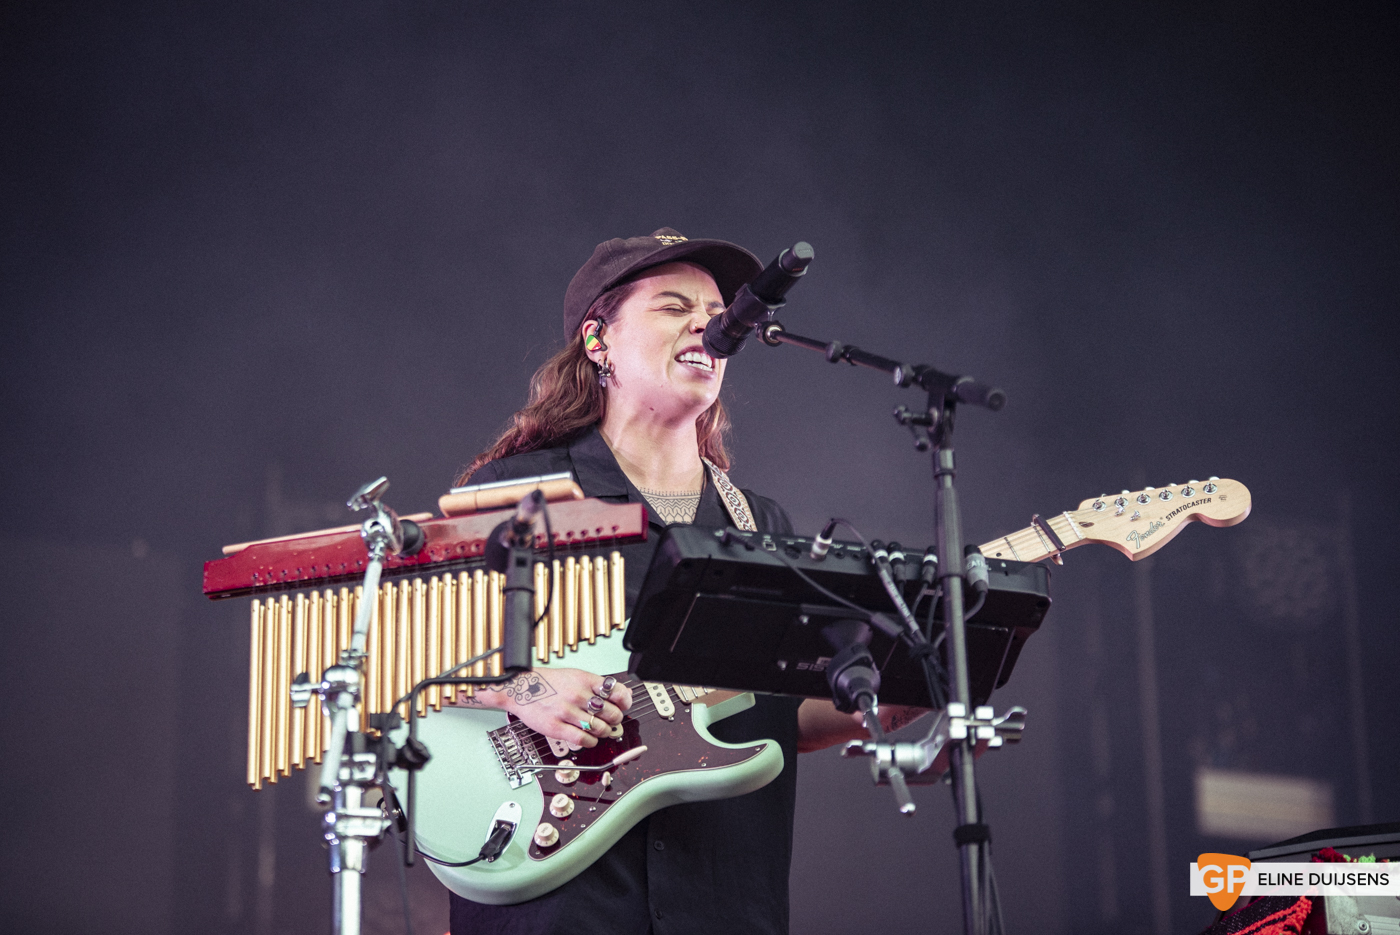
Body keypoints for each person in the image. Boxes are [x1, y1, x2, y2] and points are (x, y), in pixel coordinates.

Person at [448, 229, 923, 935]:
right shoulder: (511, 494)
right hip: (557, 897)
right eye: (673, 306)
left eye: (716, 308)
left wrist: (898, 694)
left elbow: (779, 714)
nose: (708, 322)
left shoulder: (762, 524)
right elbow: (403, 670)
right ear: (597, 342)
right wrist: (526, 688)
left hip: (725, 901)